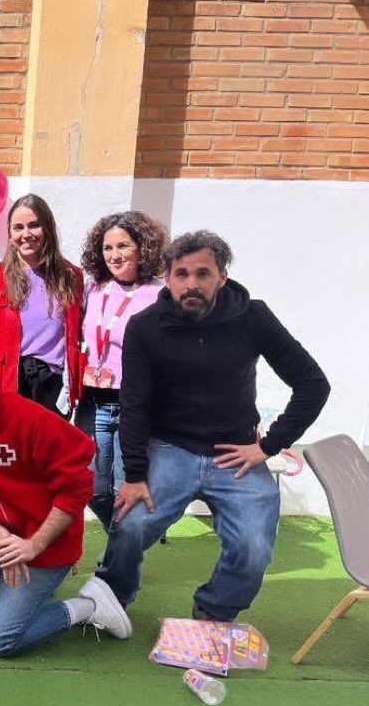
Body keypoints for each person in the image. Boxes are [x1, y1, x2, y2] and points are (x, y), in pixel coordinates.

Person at [85, 231, 330, 630]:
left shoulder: (253, 317)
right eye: (181, 274)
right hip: (170, 447)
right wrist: (134, 475)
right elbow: (135, 405)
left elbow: (313, 384)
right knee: (130, 524)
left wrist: (269, 445)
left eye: (203, 273)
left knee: (254, 545)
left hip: (235, 453)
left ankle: (215, 609)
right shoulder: (145, 327)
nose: (191, 284)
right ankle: (113, 594)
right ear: (168, 278)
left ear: (222, 277)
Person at [0, 336, 125, 657]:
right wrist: (0, 535)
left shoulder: (26, 416)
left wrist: (33, 545)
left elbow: (77, 485)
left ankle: (89, 606)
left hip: (46, 544)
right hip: (3, 534)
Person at [75, 211, 167, 530]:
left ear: (143, 248)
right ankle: (120, 541)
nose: (114, 255)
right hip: (93, 402)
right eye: (107, 248)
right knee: (91, 487)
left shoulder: (160, 294)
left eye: (123, 246)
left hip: (135, 404)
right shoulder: (93, 289)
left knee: (125, 489)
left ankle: (122, 550)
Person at [0, 194, 82, 414]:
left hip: (52, 388)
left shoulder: (72, 277)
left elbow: (80, 337)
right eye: (18, 227)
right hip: (5, 385)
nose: (26, 234)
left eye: (34, 225)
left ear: (47, 229)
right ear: (10, 234)